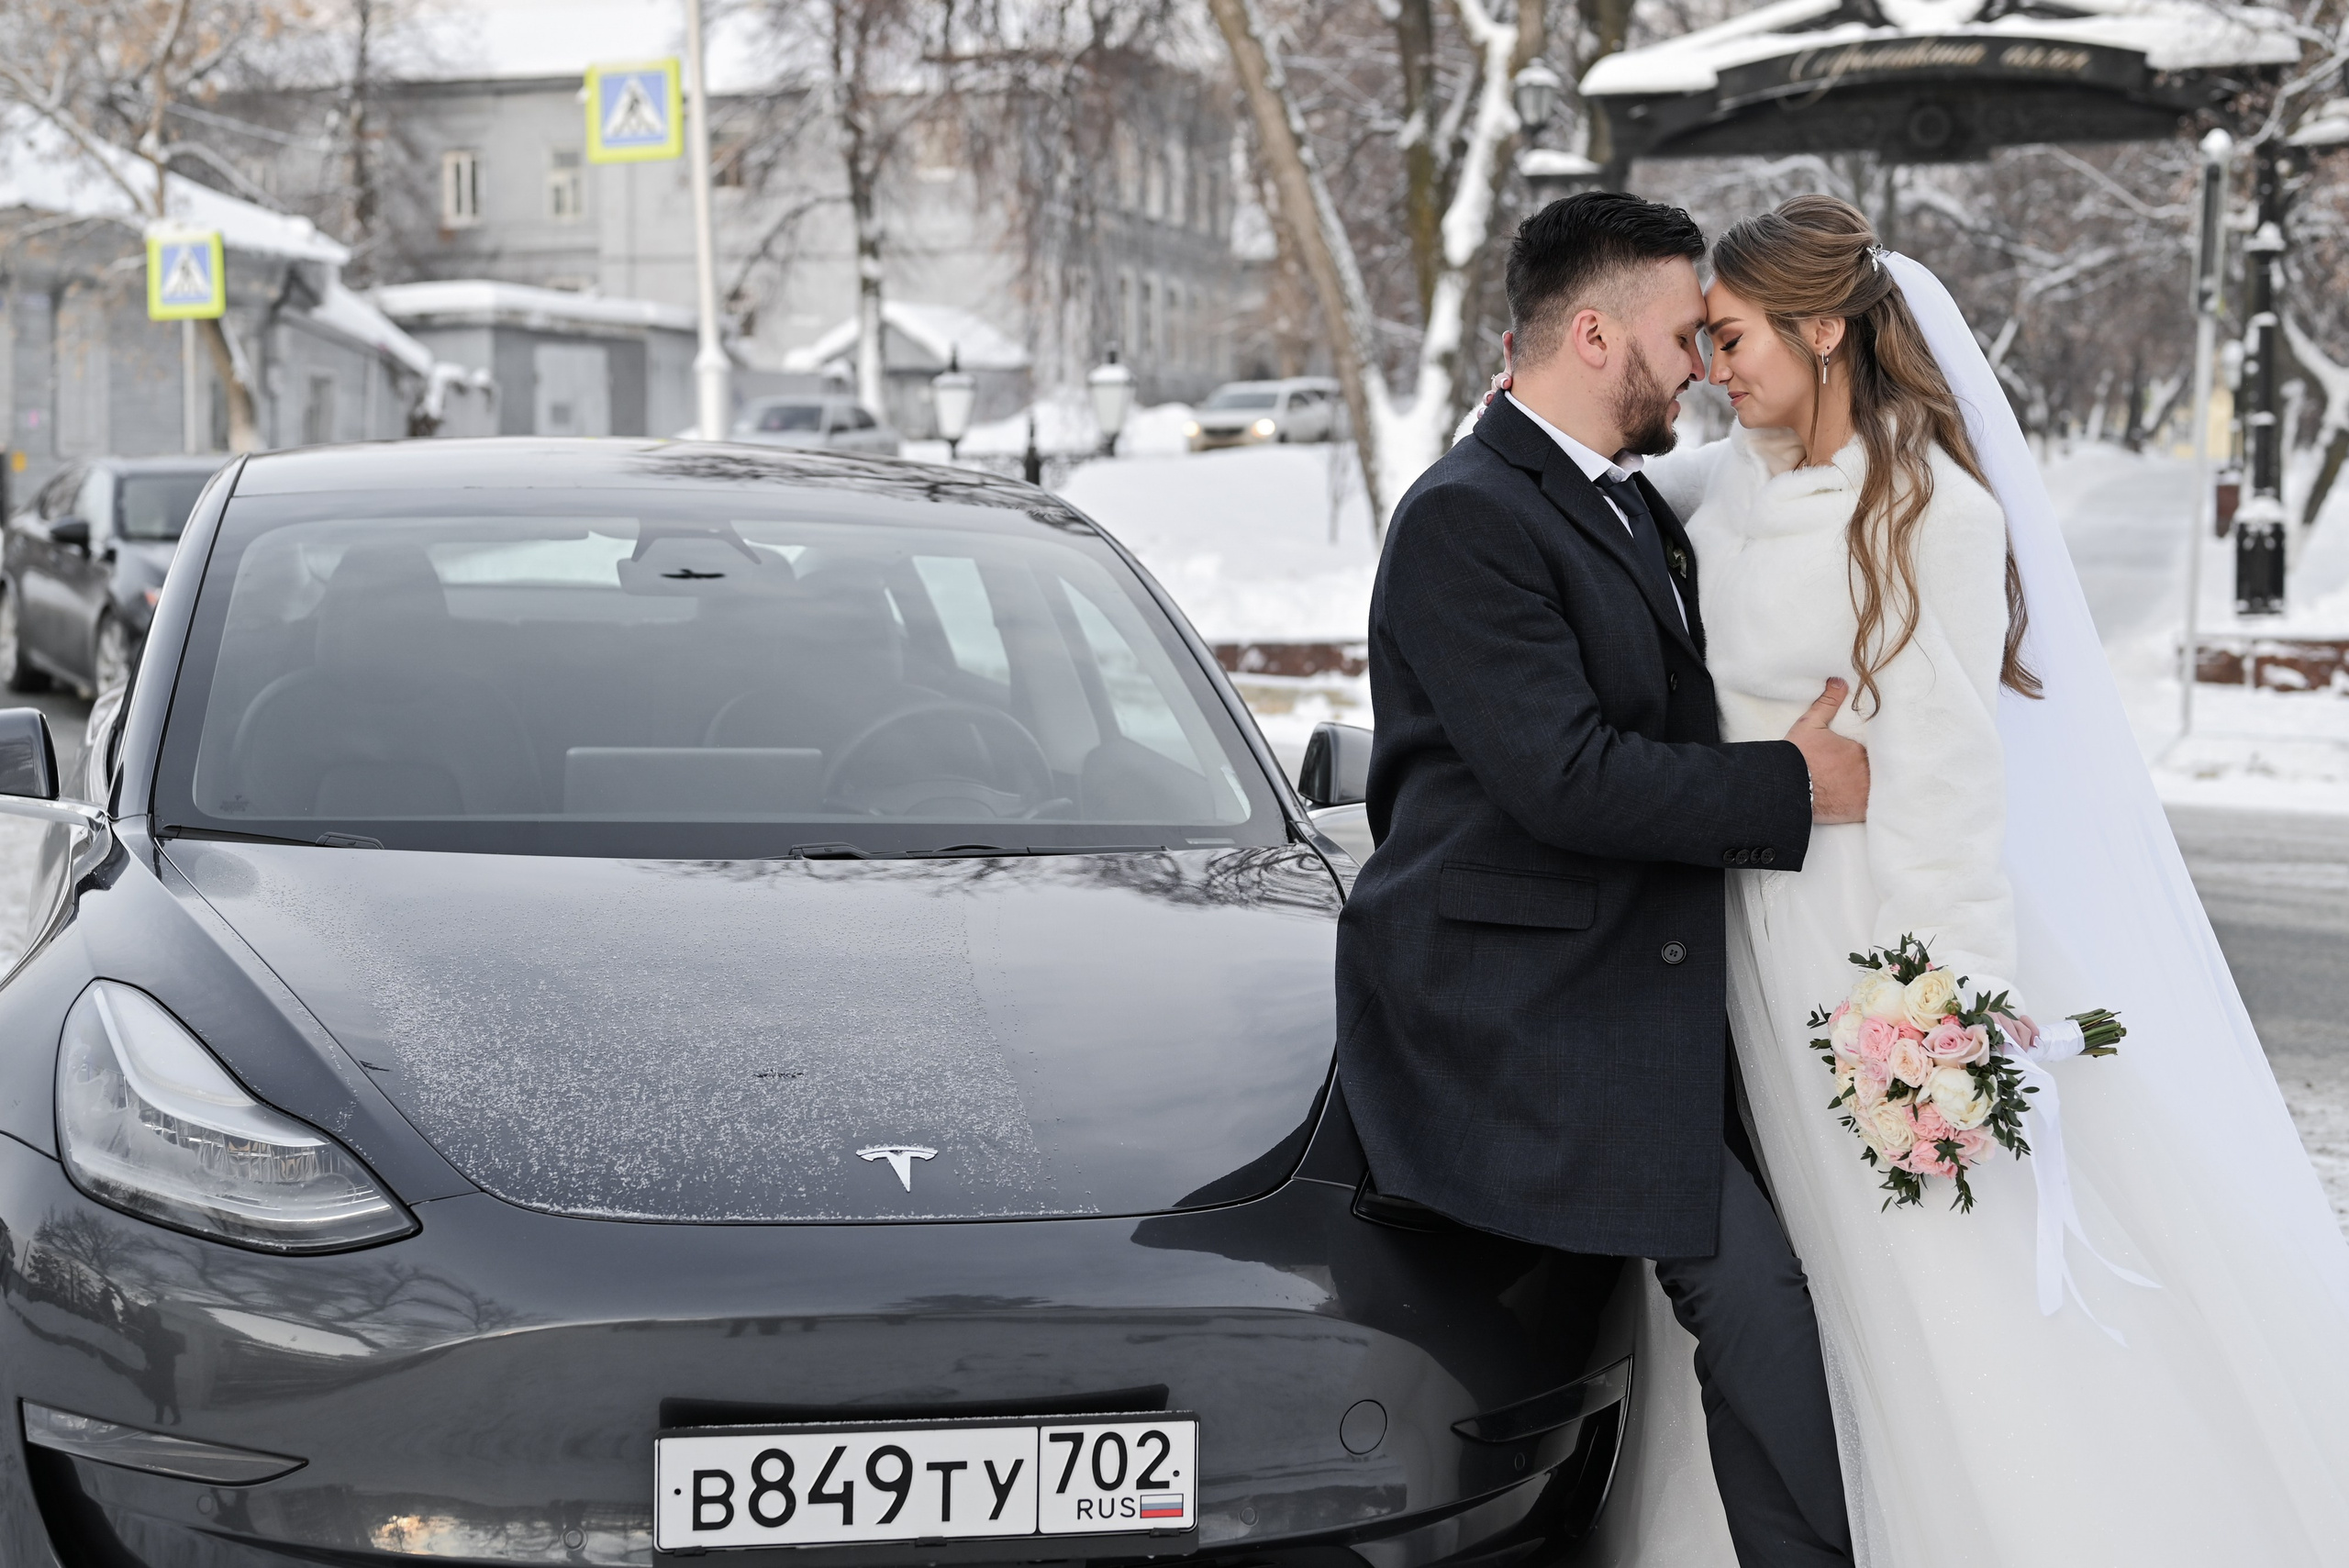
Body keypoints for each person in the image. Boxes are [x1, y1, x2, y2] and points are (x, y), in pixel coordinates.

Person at [1626, 194, 2349, 1565]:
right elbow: (1602, 492)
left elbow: (1950, 783)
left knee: (1925, 1280)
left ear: (1823, 325)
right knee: (1806, 1287)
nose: (1714, 367)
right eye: (1705, 341)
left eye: (1733, 337)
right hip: (1741, 930)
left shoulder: (1928, 511)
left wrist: (1942, 1011)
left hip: (1864, 941)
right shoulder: (1736, 478)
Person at [1334, 191, 1870, 1568]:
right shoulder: (1465, 518)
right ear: (1590, 333)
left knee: (1770, 1299)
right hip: (1524, 1008)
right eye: (1685, 333)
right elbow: (1567, 774)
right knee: (1752, 1295)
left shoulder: (1613, 501)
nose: (1701, 362)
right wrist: (1791, 786)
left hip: (1638, 972)